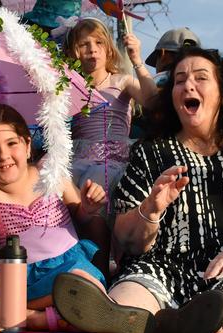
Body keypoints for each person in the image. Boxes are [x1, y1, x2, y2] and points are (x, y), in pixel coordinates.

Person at [52, 47, 223, 333]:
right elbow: (126, 239)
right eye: (179, 80)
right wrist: (150, 210)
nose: (188, 85)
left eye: (201, 77)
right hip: (164, 265)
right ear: (171, 95)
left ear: (222, 93)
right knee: (136, 285)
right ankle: (121, 314)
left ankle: (193, 323)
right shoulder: (150, 151)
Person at [0, 104, 108, 331]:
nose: (3, 155)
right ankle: (41, 316)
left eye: (11, 143)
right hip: (13, 279)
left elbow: (81, 218)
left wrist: (88, 207)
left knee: (81, 281)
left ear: (27, 146)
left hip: (67, 270)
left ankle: (16, 315)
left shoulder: (50, 171)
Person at [64, 18, 157, 265]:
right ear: (75, 51)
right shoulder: (69, 85)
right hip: (78, 158)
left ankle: (103, 264)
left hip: (112, 159)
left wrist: (137, 60)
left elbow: (153, 102)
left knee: (97, 181)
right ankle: (74, 260)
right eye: (84, 44)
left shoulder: (121, 82)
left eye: (98, 42)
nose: (92, 49)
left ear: (108, 49)